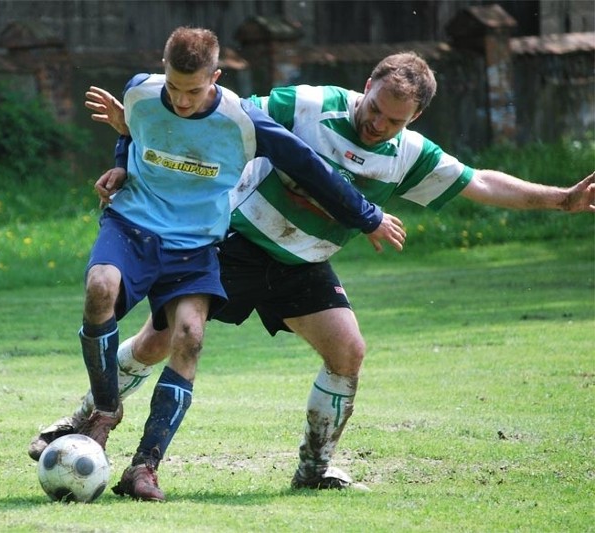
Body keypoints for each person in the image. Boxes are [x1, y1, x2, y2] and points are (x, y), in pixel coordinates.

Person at [30, 50, 595, 500]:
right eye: (374, 107)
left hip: (304, 264)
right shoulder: (303, 104)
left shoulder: (409, 153)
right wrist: (131, 152)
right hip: (236, 243)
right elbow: (211, 115)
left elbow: (481, 182)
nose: (377, 123)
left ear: (414, 117)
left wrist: (560, 201)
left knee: (348, 351)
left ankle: (313, 467)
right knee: (162, 341)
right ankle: (85, 420)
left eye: (393, 119)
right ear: (366, 86)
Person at [42, 26, 406, 502]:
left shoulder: (243, 120)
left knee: (189, 336)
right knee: (100, 290)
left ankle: (144, 468)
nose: (182, 100)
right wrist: (123, 163)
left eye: (193, 90)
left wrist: (367, 215)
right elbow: (136, 128)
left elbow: (309, 167)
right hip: (132, 225)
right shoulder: (140, 90)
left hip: (195, 245)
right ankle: (104, 411)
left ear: (215, 77)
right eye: (173, 86)